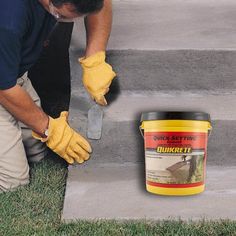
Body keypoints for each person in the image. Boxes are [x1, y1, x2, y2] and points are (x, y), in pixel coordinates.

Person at [0, 0, 116, 192]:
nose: (62, 21)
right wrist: (48, 129)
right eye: (61, 17)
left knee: (37, 154)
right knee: (12, 182)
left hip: (14, 75)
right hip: (5, 87)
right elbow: (5, 89)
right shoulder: (8, 19)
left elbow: (101, 4)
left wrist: (95, 58)